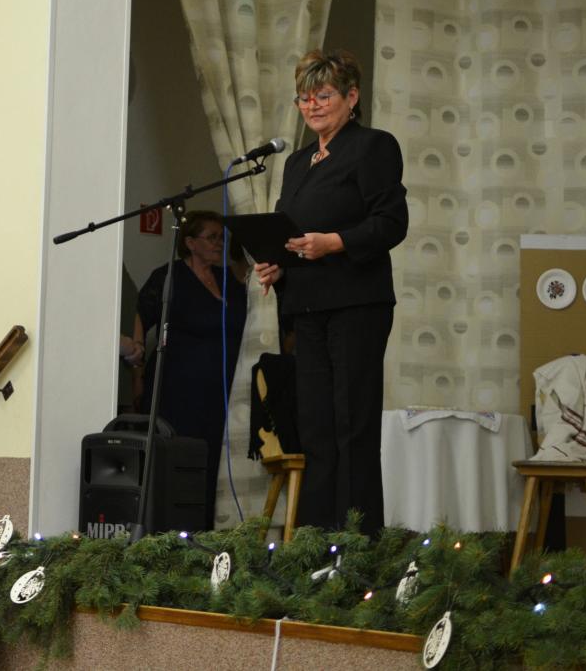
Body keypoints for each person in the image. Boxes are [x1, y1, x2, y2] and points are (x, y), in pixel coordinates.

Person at [253, 50, 407, 535]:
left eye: (323, 95)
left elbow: (391, 222)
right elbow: (290, 231)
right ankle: (315, 539)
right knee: (316, 427)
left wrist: (334, 242)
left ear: (351, 97)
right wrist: (275, 266)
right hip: (307, 306)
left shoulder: (373, 146)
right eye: (304, 98)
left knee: (351, 426)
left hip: (356, 304)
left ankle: (357, 540)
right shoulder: (298, 162)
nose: (312, 106)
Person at [132, 211, 247, 530]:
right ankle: (175, 530)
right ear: (191, 242)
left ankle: (212, 528)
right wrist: (137, 373)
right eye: (212, 237)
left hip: (222, 390)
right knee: (182, 458)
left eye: (222, 238)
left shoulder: (230, 279)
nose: (219, 244)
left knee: (216, 460)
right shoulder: (170, 275)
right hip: (179, 389)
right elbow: (142, 316)